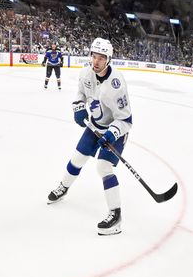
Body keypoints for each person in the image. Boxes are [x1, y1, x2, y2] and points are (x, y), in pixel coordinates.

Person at [47, 38, 131, 235]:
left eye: (101, 58)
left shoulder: (117, 85)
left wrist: (112, 133)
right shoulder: (86, 73)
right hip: (94, 125)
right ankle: (63, 187)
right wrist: (78, 106)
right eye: (94, 56)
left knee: (103, 167)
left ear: (108, 59)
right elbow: (80, 93)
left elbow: (125, 120)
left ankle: (116, 215)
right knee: (77, 158)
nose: (96, 61)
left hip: (114, 129)